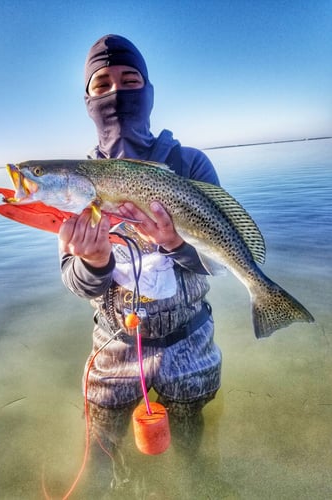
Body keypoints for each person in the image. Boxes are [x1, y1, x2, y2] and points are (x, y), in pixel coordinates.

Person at [58, 34, 222, 492]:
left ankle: (196, 484)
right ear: (88, 100)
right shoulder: (75, 184)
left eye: (129, 80)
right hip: (113, 350)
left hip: (191, 343)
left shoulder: (190, 164)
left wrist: (176, 244)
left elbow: (218, 261)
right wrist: (92, 261)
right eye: (102, 84)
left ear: (148, 89)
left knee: (191, 443)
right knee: (102, 454)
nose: (116, 93)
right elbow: (76, 283)